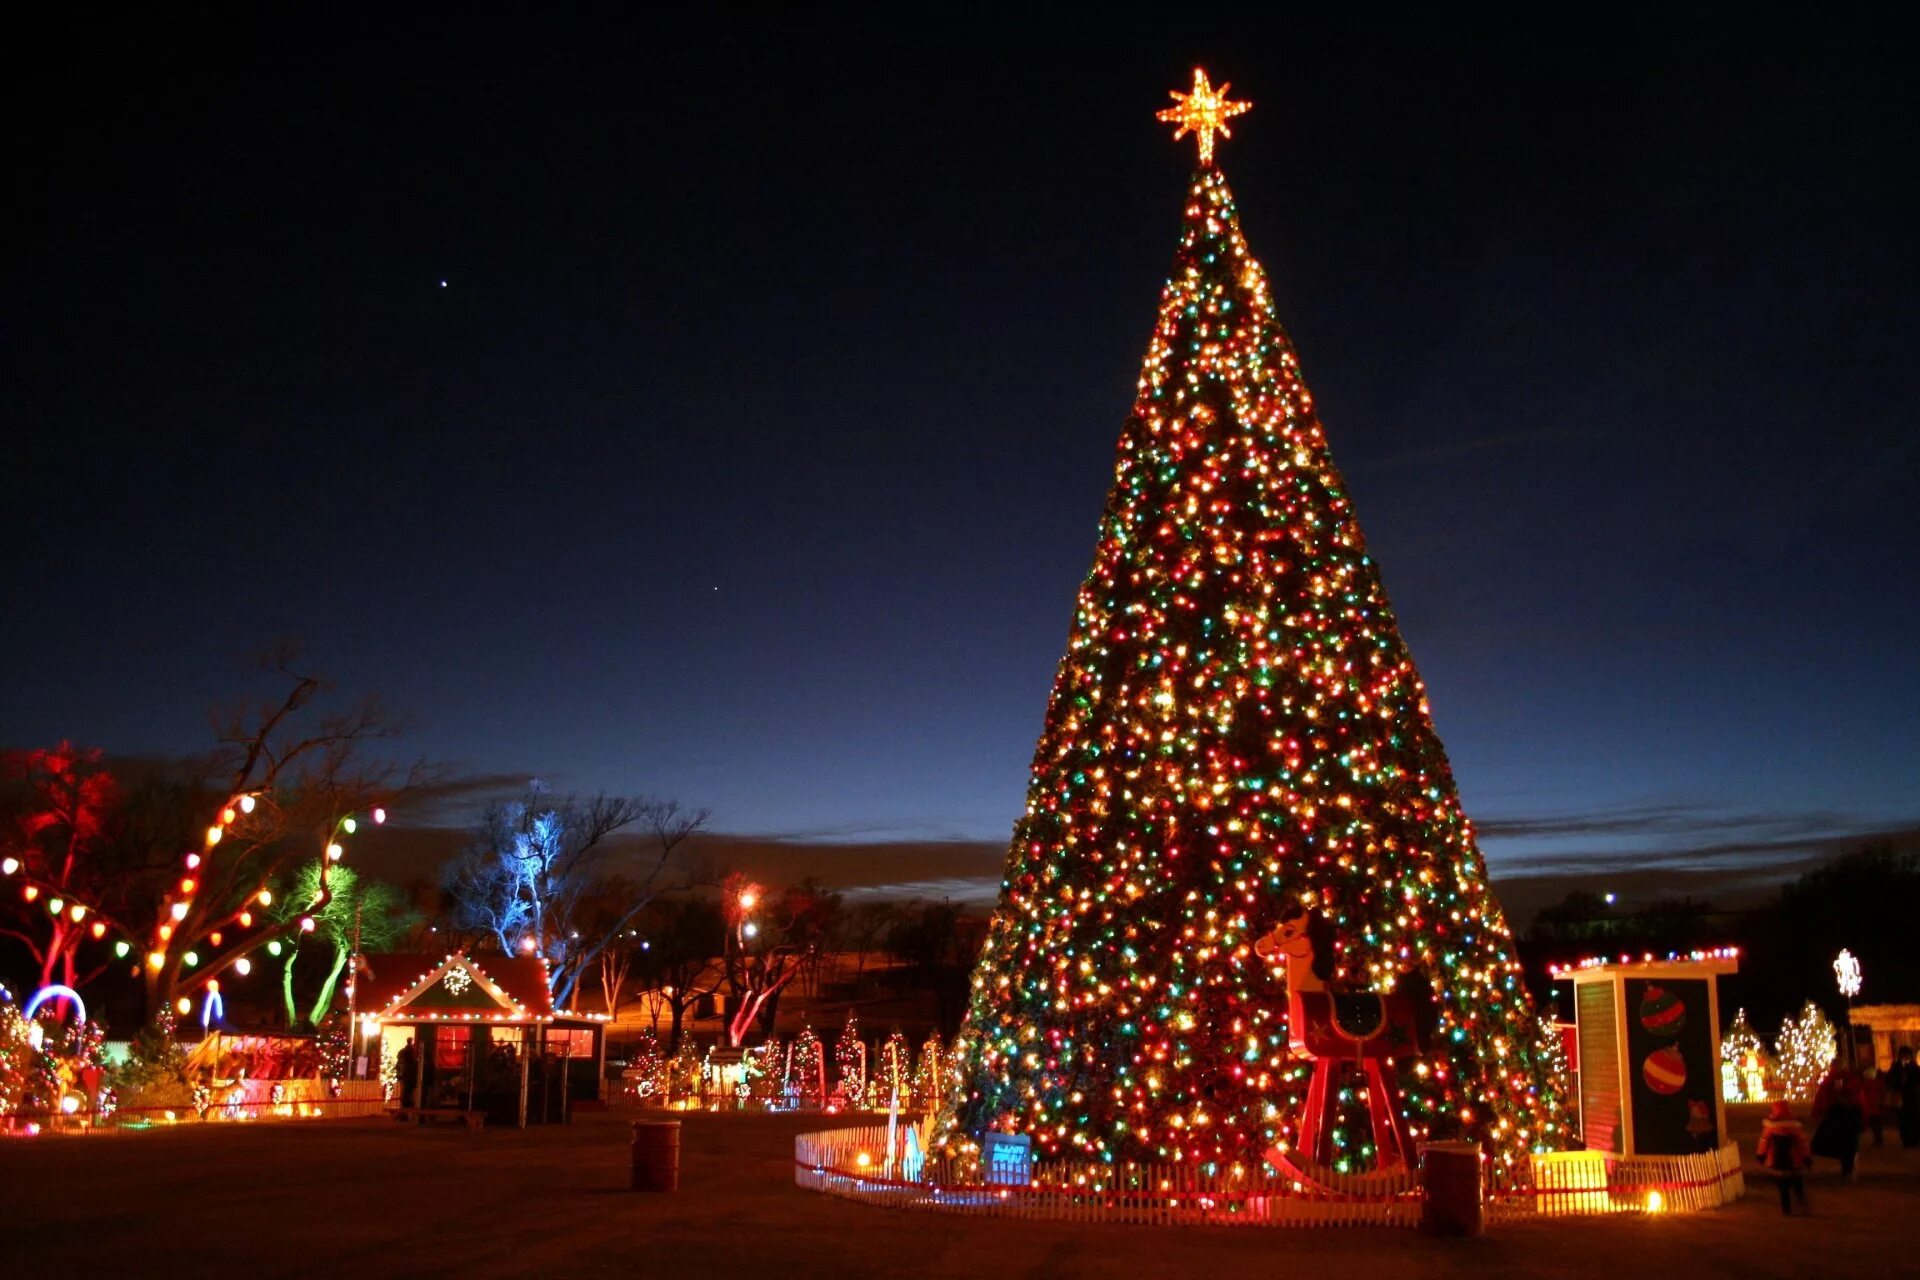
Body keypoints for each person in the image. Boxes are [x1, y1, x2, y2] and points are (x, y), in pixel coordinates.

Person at [1811, 1056, 1867, 1180]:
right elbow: (1823, 1095)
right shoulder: (1833, 1078)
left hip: (1847, 1115)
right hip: (1839, 1114)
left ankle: (1848, 1169)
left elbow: (1854, 1096)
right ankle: (1847, 1169)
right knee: (1845, 1145)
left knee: (1848, 1145)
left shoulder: (1849, 1079)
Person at [1756, 1099, 1812, 1215]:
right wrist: (1806, 1158)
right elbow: (1803, 1144)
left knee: (1783, 1188)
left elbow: (1764, 1142)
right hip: (1794, 1162)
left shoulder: (1769, 1128)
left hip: (1777, 1162)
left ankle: (1786, 1209)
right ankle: (1802, 1205)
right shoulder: (1795, 1128)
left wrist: (1761, 1155)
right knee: (1797, 1184)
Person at [1886, 1046, 1920, 1149]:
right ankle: (1906, 1140)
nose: (1905, 1057)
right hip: (1900, 1097)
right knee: (1902, 1119)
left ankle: (1914, 1140)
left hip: (1913, 1097)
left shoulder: (1914, 1067)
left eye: (1907, 1055)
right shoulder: (1896, 1067)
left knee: (1914, 1119)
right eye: (1903, 1055)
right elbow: (1889, 1080)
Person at [396, 1036, 419, 1109]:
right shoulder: (410, 1051)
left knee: (405, 1090)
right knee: (408, 1091)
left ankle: (404, 1107)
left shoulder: (402, 1051)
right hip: (409, 1075)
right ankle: (407, 1106)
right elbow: (412, 1062)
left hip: (403, 1075)